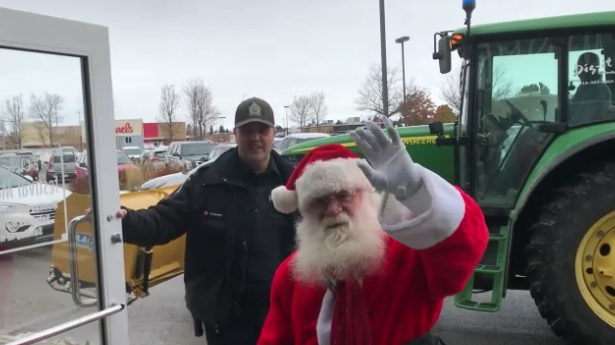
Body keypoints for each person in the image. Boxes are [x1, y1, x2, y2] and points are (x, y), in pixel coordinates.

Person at [257, 118, 489, 345]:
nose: (334, 209)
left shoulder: (407, 251)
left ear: (366, 195)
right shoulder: (290, 277)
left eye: (344, 195)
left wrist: (414, 188)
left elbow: (465, 245)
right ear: (305, 212)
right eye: (320, 201)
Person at [107, 97, 297, 345]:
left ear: (273, 133)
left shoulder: (295, 182)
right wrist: (123, 221)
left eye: (262, 130)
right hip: (227, 320)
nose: (255, 138)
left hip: (281, 312)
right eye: (247, 131)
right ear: (235, 134)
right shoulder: (208, 182)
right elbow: (164, 220)